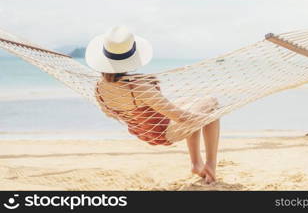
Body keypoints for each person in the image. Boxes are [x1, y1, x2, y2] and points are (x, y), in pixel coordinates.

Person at [85, 26, 220, 183]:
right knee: (211, 103)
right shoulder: (139, 88)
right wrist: (210, 117)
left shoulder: (99, 87)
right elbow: (181, 118)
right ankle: (210, 165)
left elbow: (109, 113)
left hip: (142, 132)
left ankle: (196, 164)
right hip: (163, 133)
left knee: (193, 104)